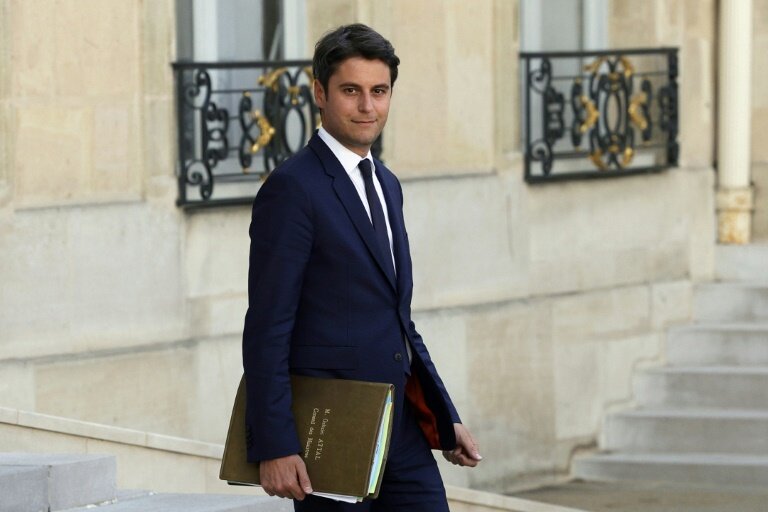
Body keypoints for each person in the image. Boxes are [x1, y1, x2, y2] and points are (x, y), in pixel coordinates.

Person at [241, 23, 481, 511]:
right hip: (331, 433)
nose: (367, 106)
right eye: (351, 91)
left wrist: (443, 414)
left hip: (402, 429)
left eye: (379, 91)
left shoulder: (387, 185)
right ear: (320, 94)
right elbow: (267, 326)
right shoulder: (293, 189)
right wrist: (275, 444)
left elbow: (397, 318)